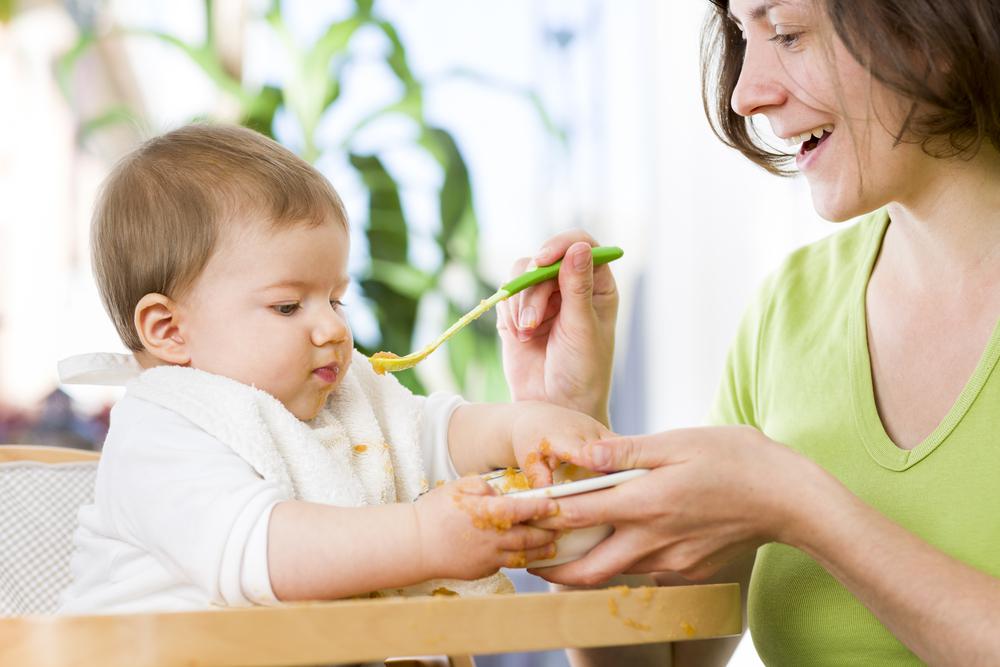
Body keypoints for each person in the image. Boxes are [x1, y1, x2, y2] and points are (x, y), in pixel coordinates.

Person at [498, 0, 1000, 664]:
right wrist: (567, 427)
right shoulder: (790, 309)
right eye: (743, 35)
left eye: (788, 34)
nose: (745, 95)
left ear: (931, 25)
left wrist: (804, 508)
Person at [57, 124, 613, 614]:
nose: (333, 329)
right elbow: (267, 551)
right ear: (169, 330)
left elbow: (433, 435)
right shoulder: (162, 431)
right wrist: (423, 537)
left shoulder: (342, 399)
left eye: (336, 300)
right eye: (287, 306)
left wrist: (523, 427)